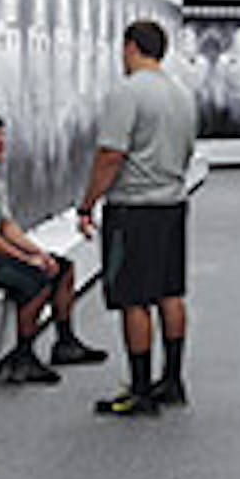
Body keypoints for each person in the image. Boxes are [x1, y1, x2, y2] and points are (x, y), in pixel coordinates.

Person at [0, 110, 107, 385]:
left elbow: (7, 228)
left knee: (63, 269)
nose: (2, 143)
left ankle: (66, 343)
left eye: (2, 136)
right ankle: (22, 358)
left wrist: (39, 254)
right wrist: (28, 262)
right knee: (35, 283)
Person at [78, 20, 197, 417]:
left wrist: (87, 203)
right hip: (173, 204)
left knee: (133, 299)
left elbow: (111, 155)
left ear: (130, 47)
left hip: (133, 208)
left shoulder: (127, 93)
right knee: (170, 292)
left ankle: (141, 390)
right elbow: (187, 149)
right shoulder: (181, 94)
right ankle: (173, 380)